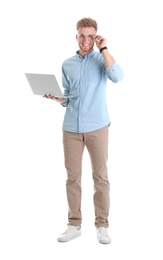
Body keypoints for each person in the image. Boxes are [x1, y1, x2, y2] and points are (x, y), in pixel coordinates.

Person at [44, 17, 124, 244]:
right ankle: (74, 224)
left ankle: (102, 225)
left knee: (100, 177)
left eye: (91, 36)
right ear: (76, 36)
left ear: (96, 36)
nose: (86, 40)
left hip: (97, 127)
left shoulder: (102, 59)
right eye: (82, 35)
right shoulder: (67, 63)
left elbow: (118, 77)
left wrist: (104, 47)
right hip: (70, 128)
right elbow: (68, 96)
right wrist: (59, 98)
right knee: (72, 178)